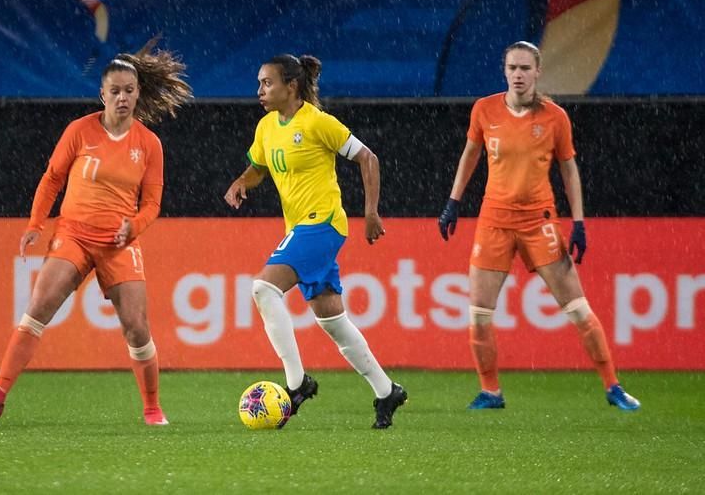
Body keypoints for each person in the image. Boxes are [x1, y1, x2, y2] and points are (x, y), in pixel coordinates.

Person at [0, 41, 192, 425]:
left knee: (137, 328)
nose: (122, 97)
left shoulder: (149, 144)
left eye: (129, 90)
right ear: (101, 94)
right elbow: (52, 179)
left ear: (138, 93)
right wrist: (36, 225)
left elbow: (152, 204)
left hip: (119, 242)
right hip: (73, 233)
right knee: (39, 307)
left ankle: (152, 408)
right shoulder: (80, 130)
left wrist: (132, 227)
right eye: (115, 91)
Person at [438, 41, 640, 411]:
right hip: (494, 221)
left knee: (578, 308)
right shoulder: (484, 110)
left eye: (524, 68)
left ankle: (613, 387)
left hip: (539, 222)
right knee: (479, 314)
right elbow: (471, 154)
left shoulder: (554, 117)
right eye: (512, 68)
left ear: (537, 72)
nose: (518, 74)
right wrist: (453, 202)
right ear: (505, 71)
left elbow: (568, 169)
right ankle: (491, 392)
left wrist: (579, 222)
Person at [224, 54, 407, 429]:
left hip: (321, 224)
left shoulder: (317, 122)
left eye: (267, 83)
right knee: (333, 321)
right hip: (302, 227)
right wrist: (243, 180)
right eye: (259, 83)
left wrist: (371, 212)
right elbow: (259, 167)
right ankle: (387, 391)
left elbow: (368, 158)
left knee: (263, 288)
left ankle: (297, 384)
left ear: (291, 86)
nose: (260, 90)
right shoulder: (265, 127)